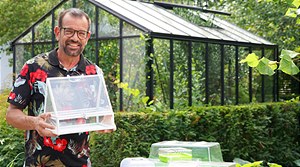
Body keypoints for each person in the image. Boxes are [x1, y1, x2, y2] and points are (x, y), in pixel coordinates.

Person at [6, 8, 116, 167]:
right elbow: (11, 114)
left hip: (80, 163)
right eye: (69, 31)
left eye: (81, 33)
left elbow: (103, 114)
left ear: (87, 37)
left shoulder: (94, 73)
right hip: (38, 163)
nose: (75, 38)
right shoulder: (34, 67)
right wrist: (35, 122)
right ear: (57, 32)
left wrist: (106, 122)